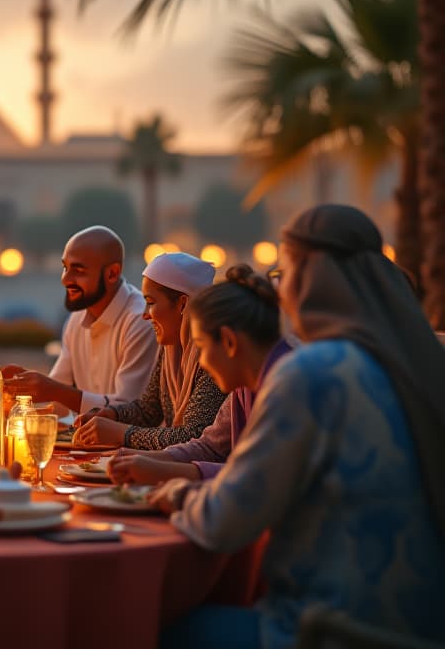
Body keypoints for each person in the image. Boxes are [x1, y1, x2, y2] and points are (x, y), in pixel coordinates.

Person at [152, 205, 445, 648]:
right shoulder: (422, 365)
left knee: (154, 629)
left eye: (284, 274)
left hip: (331, 631)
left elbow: (224, 523)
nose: (280, 293)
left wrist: (172, 492)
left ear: (311, 280)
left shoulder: (313, 373)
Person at [107, 265, 291, 485]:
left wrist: (165, 473)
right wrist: (143, 460)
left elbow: (260, 478)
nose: (201, 361)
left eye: (201, 346)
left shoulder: (288, 387)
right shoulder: (244, 387)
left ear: (229, 341)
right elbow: (209, 446)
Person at [74, 251, 225, 450]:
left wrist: (121, 433)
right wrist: (111, 414)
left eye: (151, 303)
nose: (145, 315)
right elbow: (149, 409)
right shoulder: (170, 348)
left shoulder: (212, 355)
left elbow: (193, 437)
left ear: (182, 304)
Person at [3, 226, 158, 418]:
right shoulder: (76, 320)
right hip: (89, 445)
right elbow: (58, 403)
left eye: (78, 270)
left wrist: (52, 389)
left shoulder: (140, 321)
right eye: (65, 268)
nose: (65, 279)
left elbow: (129, 410)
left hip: (134, 447)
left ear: (112, 273)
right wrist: (24, 388)